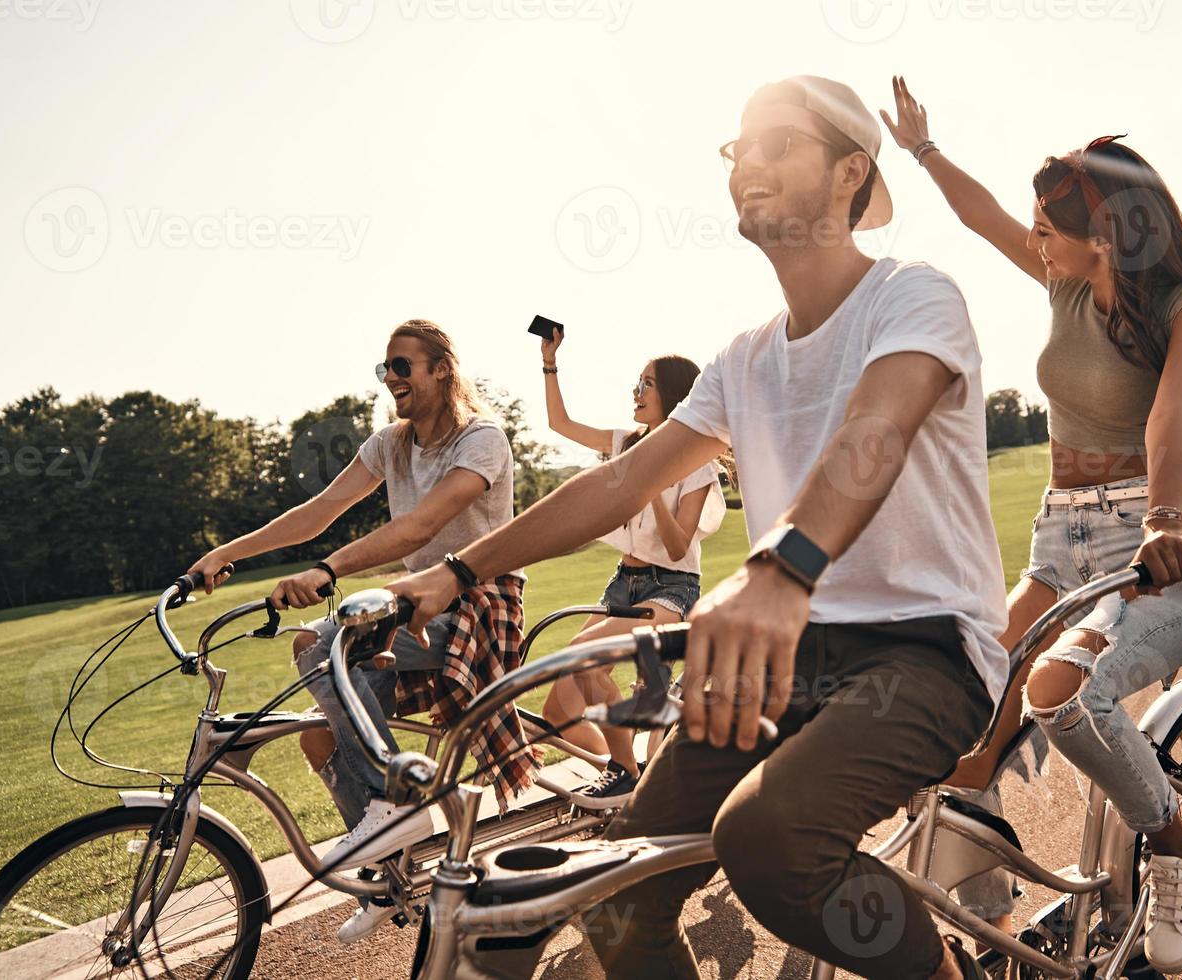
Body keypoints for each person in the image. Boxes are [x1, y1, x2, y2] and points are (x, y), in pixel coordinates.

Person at [389, 75, 1008, 980]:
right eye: (737, 149)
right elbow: (623, 479)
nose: (747, 163)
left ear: (850, 174)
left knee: (770, 838)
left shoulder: (913, 295)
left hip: (924, 651)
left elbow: (873, 435)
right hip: (782, 660)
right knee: (616, 898)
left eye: (777, 144)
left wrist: (780, 570)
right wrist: (457, 574)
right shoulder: (744, 357)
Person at [881, 76, 1182, 971]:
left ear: (1101, 237)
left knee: (1060, 696)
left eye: (1048, 228)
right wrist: (921, 148)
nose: (1033, 240)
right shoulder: (1066, 288)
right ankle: (984, 913)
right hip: (1056, 542)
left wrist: (1168, 520)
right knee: (955, 709)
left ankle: (1181, 851)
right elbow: (985, 217)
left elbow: (1169, 417)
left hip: (1157, 554)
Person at [187, 319, 536, 944]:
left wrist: (329, 570)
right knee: (314, 707)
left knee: (329, 644)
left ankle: (391, 807)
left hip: (477, 598)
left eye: (402, 366)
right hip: (410, 606)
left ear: (441, 371)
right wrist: (227, 552)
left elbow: (421, 529)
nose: (391, 379)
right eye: (385, 369)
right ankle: (388, 865)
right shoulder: (390, 444)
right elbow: (319, 510)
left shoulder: (481, 439)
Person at [537, 327, 725, 801]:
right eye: (636, 383)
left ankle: (624, 774)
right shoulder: (625, 442)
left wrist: (650, 484)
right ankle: (633, 772)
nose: (636, 393)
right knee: (557, 713)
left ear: (675, 396)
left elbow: (680, 546)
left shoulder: (696, 462)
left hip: (670, 588)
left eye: (647, 385)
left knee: (586, 656)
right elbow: (561, 424)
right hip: (623, 585)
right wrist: (549, 362)